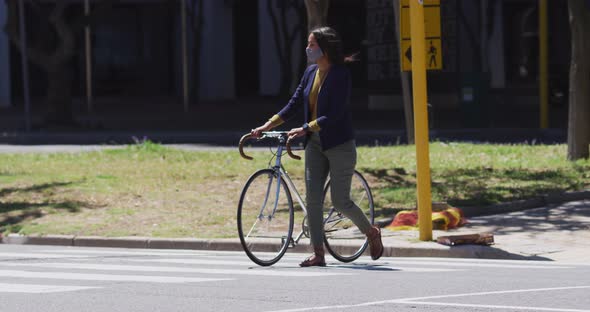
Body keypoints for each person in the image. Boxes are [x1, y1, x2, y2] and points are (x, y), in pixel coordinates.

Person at [251, 26, 383, 267]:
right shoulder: (310, 72)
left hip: (339, 144)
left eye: (312, 44)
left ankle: (371, 232)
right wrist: (266, 126)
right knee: (313, 200)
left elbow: (335, 112)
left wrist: (306, 127)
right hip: (314, 144)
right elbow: (292, 105)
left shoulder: (340, 74)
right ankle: (318, 253)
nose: (308, 48)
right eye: (308, 44)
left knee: (340, 200)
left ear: (324, 48)